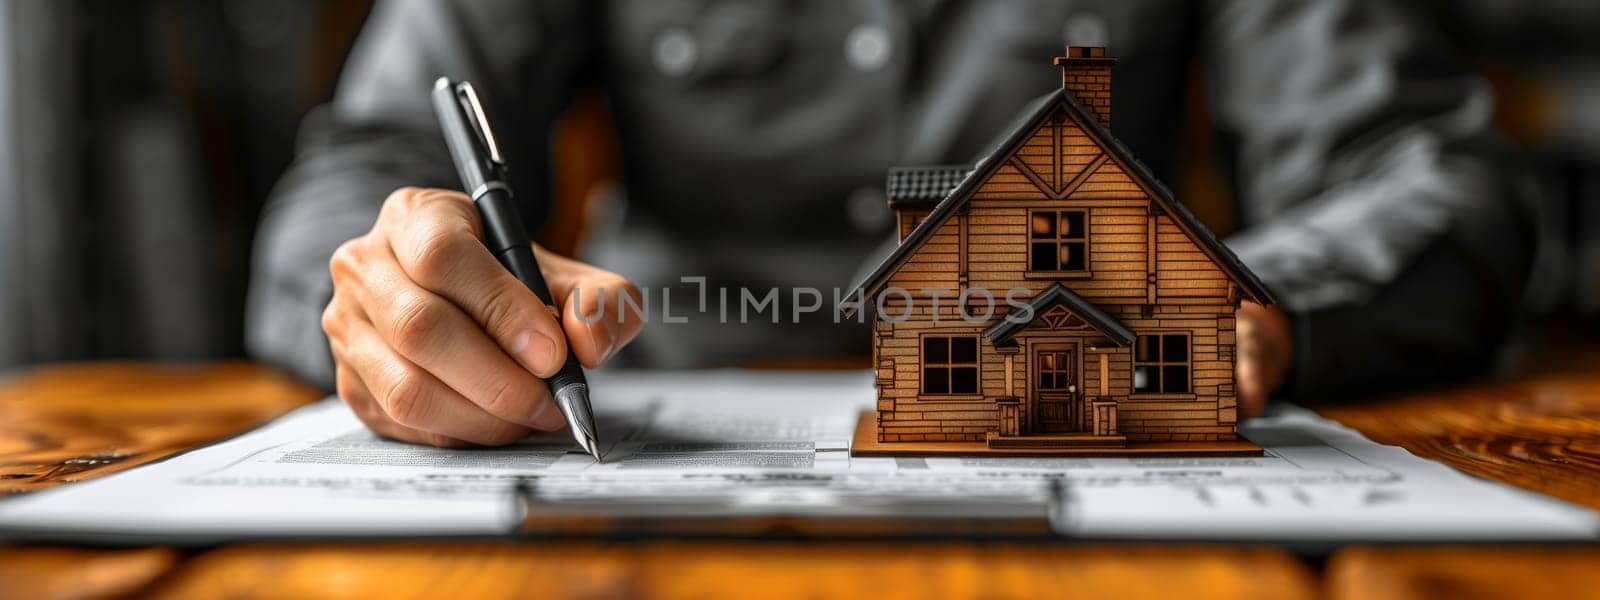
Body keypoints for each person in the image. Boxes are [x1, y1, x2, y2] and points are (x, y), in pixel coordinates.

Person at [246, 0, 1532, 447]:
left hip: (1099, 454)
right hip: (633, 452)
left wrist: (1252, 306)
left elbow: (1428, 175)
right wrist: (402, 298)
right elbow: (356, 183)